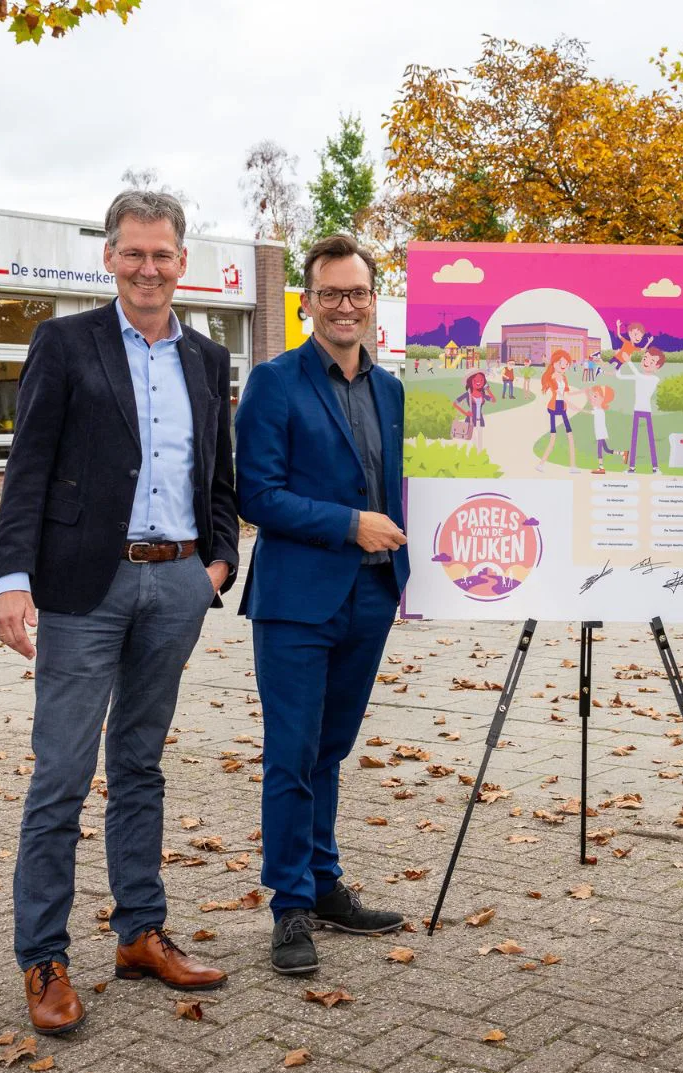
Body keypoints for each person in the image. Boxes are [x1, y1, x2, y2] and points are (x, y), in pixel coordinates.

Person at [0, 189, 238, 1036]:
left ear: (182, 261)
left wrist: (216, 565)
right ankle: (44, 959)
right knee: (61, 773)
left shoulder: (206, 360)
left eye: (162, 254)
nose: (148, 268)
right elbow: (28, 468)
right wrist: (9, 578)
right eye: (133, 253)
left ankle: (140, 933)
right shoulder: (65, 345)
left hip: (175, 587)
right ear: (109, 257)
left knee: (139, 764)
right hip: (81, 590)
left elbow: (219, 475)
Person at [234, 234, 411, 977]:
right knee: (292, 756)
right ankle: (288, 907)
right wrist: (348, 524)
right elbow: (256, 496)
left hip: (371, 594)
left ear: (374, 302)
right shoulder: (275, 383)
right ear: (307, 304)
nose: (346, 307)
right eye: (332, 294)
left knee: (331, 750)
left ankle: (325, 882)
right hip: (297, 602)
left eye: (358, 293)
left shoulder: (393, 388)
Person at [614, 345, 665, 473]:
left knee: (650, 439)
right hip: (637, 410)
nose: (646, 362)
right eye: (645, 358)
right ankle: (631, 467)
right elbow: (620, 376)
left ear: (657, 367)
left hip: (646, 411)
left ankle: (655, 467)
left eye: (651, 361)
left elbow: (638, 375)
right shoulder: (639, 376)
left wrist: (629, 361)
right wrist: (620, 362)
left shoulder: (654, 378)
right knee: (634, 439)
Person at [533, 349, 580, 473]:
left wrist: (583, 391)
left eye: (566, 363)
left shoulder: (564, 378)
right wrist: (571, 404)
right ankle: (541, 464)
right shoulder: (552, 377)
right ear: (554, 363)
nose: (564, 366)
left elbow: (567, 392)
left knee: (570, 436)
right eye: (561, 363)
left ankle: (573, 466)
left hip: (562, 407)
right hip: (554, 407)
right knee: (553, 438)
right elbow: (559, 393)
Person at [453, 370, 495, 442]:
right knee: (472, 440)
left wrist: (488, 389)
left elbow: (493, 400)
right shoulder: (467, 394)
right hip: (470, 420)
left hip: (480, 420)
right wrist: (465, 413)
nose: (479, 382)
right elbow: (454, 403)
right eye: (475, 380)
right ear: (470, 382)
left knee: (480, 440)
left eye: (481, 380)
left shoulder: (482, 394)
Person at [587, 384, 616, 473]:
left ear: (602, 399)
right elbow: (592, 402)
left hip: (600, 433)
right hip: (600, 433)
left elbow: (589, 410)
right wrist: (588, 393)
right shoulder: (597, 408)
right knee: (606, 449)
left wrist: (578, 408)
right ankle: (623, 453)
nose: (593, 398)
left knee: (599, 449)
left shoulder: (599, 411)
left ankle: (601, 468)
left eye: (596, 396)